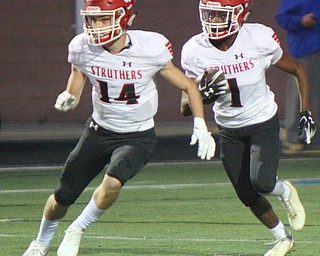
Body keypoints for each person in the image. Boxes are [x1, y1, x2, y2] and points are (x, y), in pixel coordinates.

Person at [22, 0, 216, 255]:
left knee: (113, 182)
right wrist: (71, 94)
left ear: (126, 18)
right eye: (92, 19)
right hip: (98, 130)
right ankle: (41, 242)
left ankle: (77, 228)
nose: (96, 26)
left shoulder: (150, 47)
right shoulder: (82, 46)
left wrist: (201, 124)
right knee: (62, 197)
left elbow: (189, 86)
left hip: (137, 136)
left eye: (104, 19)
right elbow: (78, 73)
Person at [180, 0, 316, 255]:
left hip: (262, 121)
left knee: (262, 182)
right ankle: (283, 238)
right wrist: (200, 93)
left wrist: (305, 111)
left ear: (240, 14)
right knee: (245, 192)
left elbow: (298, 69)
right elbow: (185, 107)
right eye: (210, 14)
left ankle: (284, 190)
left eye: (221, 15)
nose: (213, 21)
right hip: (229, 128)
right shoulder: (193, 50)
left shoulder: (258, 38)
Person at [275, 0, 320, 153]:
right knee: (299, 93)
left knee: (315, 95)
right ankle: (292, 136)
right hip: (305, 48)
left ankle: (314, 136)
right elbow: (282, 17)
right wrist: (300, 21)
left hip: (314, 46)